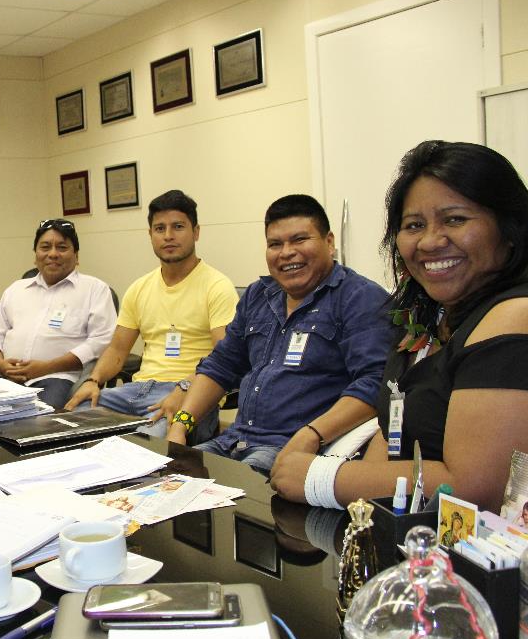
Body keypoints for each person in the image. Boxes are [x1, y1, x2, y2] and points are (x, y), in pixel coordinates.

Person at [270, 140, 528, 512]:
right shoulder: (429, 314)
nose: (430, 241)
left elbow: (477, 489)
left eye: (455, 219)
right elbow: (393, 429)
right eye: (414, 225)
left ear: (509, 229)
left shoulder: (525, 315)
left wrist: (323, 479)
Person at [166, 194, 391, 473]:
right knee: (163, 477)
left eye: (299, 240)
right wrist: (180, 426)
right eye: (275, 244)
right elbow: (221, 365)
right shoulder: (258, 295)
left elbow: (376, 383)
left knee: (223, 492)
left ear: (329, 242)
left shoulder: (359, 298)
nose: (286, 252)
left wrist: (311, 435)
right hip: (234, 441)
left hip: (294, 451)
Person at [64, 190, 239, 441]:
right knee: (70, 420)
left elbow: (224, 358)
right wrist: (93, 380)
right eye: (159, 228)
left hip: (189, 393)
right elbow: (116, 350)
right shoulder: (139, 287)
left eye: (178, 226)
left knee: (147, 443)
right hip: (136, 391)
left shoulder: (217, 286)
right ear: (150, 235)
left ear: (196, 232)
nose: (168, 236)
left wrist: (186, 387)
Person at [0, 219, 116, 409]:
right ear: (35, 256)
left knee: (36, 426)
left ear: (76, 256)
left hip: (56, 379)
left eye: (62, 247)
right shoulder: (16, 290)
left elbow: (100, 341)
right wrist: (1, 364)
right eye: (45, 247)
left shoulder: (94, 290)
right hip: (3, 376)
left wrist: (46, 367)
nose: (53, 254)